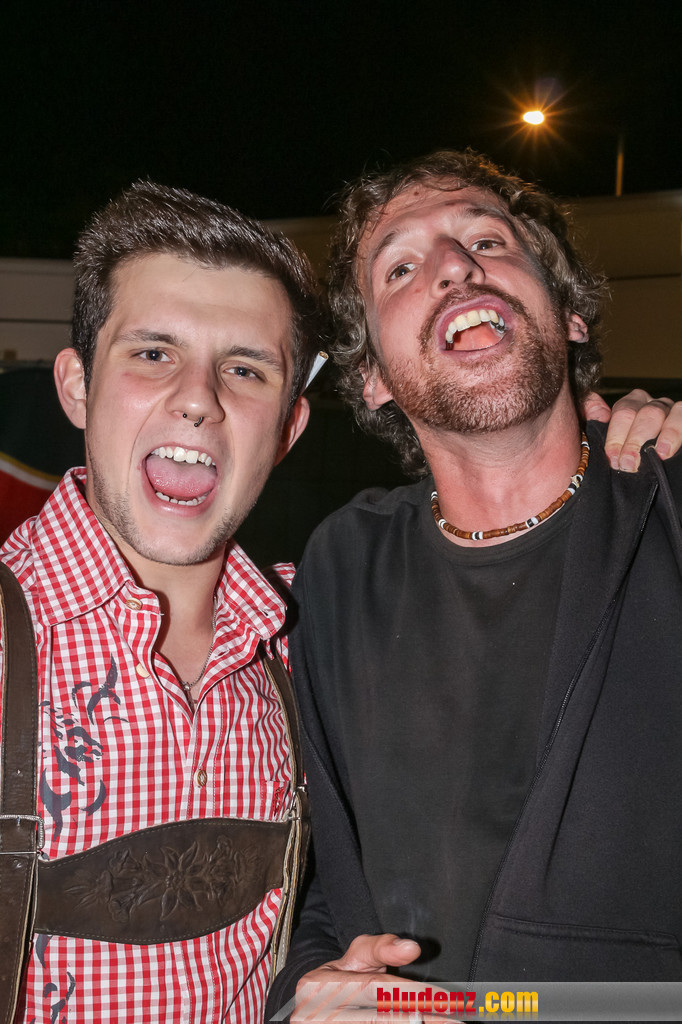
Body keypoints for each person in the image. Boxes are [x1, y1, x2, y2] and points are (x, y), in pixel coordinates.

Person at [267, 149, 682, 1018]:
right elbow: (328, 882)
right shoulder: (341, 568)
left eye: (487, 241)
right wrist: (313, 994)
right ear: (373, 379)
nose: (455, 266)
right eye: (401, 268)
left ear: (568, 313)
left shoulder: (670, 506)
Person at [0, 180, 323, 1023]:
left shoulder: (310, 643)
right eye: (152, 353)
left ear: (287, 429)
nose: (198, 397)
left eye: (245, 369)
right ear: (77, 387)